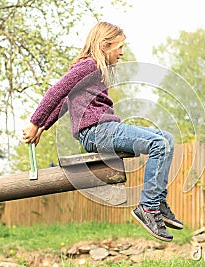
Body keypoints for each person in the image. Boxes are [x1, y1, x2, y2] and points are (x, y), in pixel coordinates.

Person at [22, 22, 183, 242]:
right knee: (159, 144)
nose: (122, 52)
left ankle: (157, 202)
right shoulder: (89, 66)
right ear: (104, 45)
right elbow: (57, 91)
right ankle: (149, 208)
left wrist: (43, 126)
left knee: (166, 139)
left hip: (102, 129)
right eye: (119, 46)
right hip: (97, 131)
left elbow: (65, 102)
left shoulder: (94, 71)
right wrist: (35, 122)